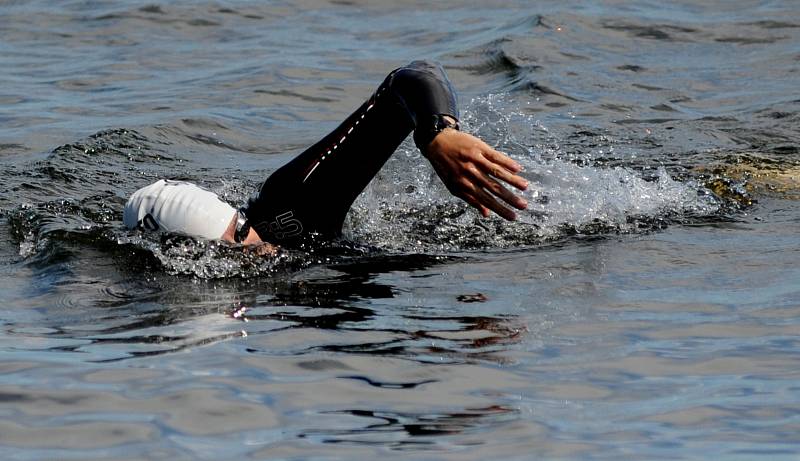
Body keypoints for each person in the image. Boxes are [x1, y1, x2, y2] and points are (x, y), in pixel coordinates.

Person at [124, 61, 529, 250]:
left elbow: (413, 78)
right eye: (231, 246)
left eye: (242, 231)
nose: (257, 250)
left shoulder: (290, 210)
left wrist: (437, 132)